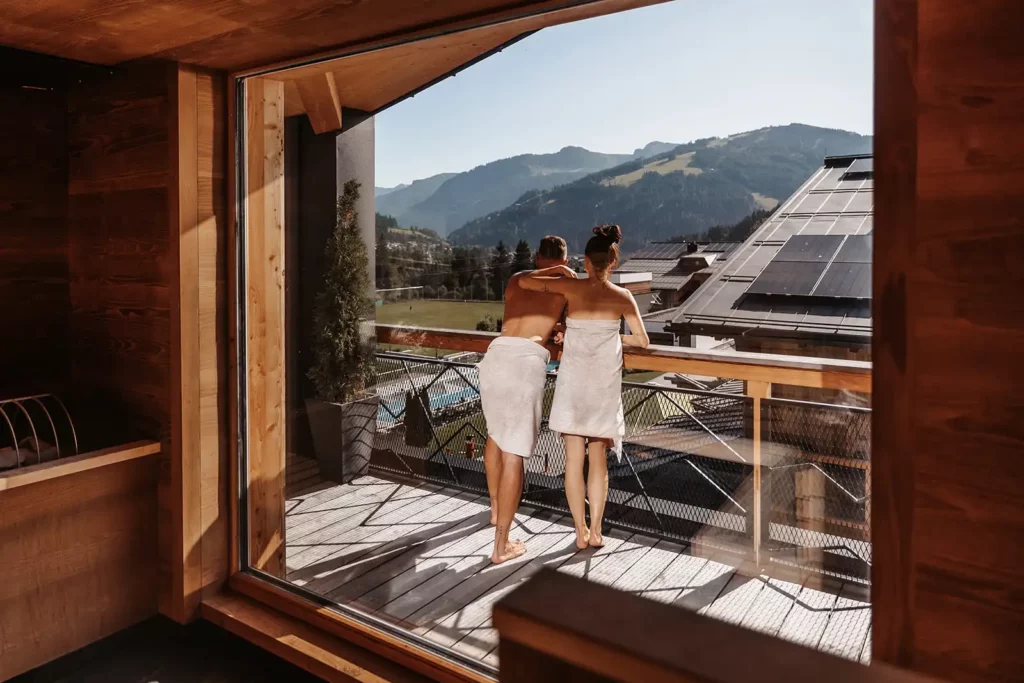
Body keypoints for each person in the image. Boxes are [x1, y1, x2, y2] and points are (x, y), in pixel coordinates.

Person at [519, 225, 650, 549]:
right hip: (603, 388)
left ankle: (578, 531)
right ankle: (597, 531)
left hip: (574, 385)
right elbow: (643, 341)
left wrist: (563, 272)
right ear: (613, 262)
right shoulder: (623, 297)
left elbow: (524, 281)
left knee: (573, 462)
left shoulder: (571, 289)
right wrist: (612, 336)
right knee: (598, 461)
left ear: (587, 263)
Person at [477, 235, 575, 564]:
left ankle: (495, 510)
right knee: (515, 455)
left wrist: (554, 323)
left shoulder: (517, 279)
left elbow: (532, 301)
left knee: (496, 436)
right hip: (524, 362)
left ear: (536, 257)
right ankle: (500, 546)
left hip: (496, 355)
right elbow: (574, 323)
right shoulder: (566, 284)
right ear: (564, 258)